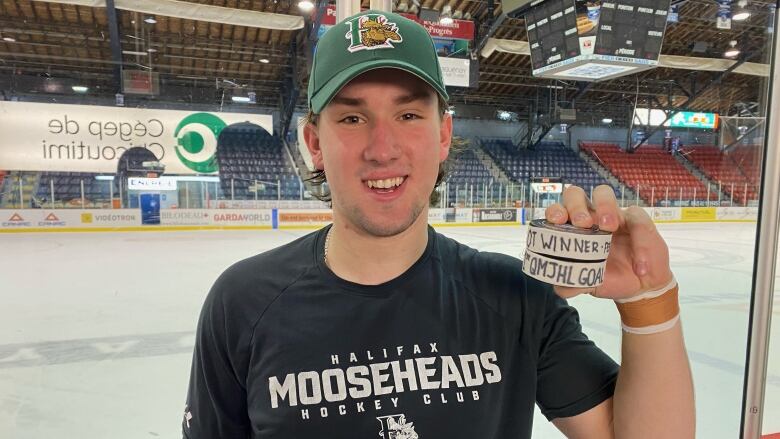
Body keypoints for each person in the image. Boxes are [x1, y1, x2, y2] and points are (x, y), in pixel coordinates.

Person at [183, 10, 695, 438]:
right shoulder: (242, 303)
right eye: (352, 118)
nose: (383, 149)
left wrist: (648, 298)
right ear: (314, 143)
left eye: (408, 116)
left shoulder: (515, 297)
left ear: (444, 134)